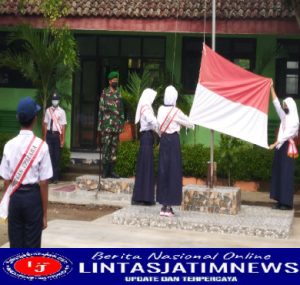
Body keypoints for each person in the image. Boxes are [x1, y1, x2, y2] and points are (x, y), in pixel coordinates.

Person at [0, 97, 53, 248]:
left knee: (15, 246)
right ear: (35, 119)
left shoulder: (9, 145)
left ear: (18, 118)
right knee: (33, 247)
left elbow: (6, 180)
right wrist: (44, 214)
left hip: (15, 198)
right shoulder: (42, 146)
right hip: (33, 199)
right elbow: (43, 183)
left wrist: (8, 204)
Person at [157, 86, 194, 217]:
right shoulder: (176, 111)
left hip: (163, 141)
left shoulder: (160, 110)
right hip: (173, 142)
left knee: (163, 171)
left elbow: (158, 127)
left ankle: (163, 206)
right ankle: (169, 207)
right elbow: (190, 123)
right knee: (173, 171)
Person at [269, 86, 299, 210]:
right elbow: (276, 104)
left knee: (286, 174)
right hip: (280, 148)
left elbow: (287, 135)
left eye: (285, 105)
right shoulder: (284, 117)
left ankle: (286, 203)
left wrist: (274, 144)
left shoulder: (295, 120)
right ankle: (279, 200)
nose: (284, 107)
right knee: (278, 173)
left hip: (287, 147)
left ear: (290, 106)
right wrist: (271, 88)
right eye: (284, 105)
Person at [132, 88, 159, 206]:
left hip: (146, 138)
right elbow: (151, 120)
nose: (153, 100)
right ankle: (146, 198)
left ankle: (141, 197)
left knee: (144, 167)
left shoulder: (145, 105)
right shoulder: (146, 106)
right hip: (147, 137)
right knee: (147, 168)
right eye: (152, 97)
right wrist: (160, 126)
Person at [98, 71, 124, 178]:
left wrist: (121, 124)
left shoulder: (119, 94)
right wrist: (99, 126)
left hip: (116, 127)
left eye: (116, 81)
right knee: (106, 148)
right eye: (114, 81)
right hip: (106, 126)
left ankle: (112, 171)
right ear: (109, 82)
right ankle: (105, 171)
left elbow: (121, 110)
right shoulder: (105, 93)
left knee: (114, 149)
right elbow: (101, 109)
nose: (115, 82)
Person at [43, 93, 67, 183]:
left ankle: (56, 178)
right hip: (49, 135)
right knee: (49, 157)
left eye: (56, 99)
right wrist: (44, 138)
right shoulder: (48, 110)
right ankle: (50, 177)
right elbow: (45, 124)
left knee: (56, 157)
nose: (54, 101)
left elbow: (63, 127)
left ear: (58, 101)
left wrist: (63, 139)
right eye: (53, 99)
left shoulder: (62, 112)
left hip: (57, 135)